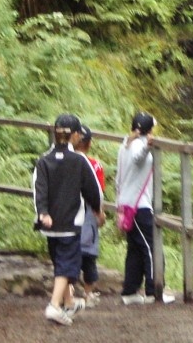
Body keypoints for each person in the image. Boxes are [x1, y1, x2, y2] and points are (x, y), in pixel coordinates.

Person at [32, 113, 103, 325]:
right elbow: (93, 190)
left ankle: (69, 302)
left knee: (59, 262)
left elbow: (39, 189)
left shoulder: (43, 161)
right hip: (71, 223)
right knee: (67, 265)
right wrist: (98, 210)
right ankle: (54, 306)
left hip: (49, 224)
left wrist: (42, 213)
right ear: (74, 136)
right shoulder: (79, 161)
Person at [115, 111, 174, 305]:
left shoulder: (125, 143)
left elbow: (120, 176)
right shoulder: (137, 146)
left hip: (127, 204)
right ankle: (153, 291)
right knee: (151, 247)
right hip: (138, 206)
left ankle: (130, 291)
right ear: (148, 131)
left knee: (135, 250)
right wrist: (148, 146)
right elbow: (138, 159)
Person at [75, 124, 106, 306]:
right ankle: (87, 294)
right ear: (89, 143)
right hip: (88, 213)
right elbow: (98, 192)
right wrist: (99, 212)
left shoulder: (65, 161)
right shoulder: (94, 165)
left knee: (70, 254)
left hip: (68, 214)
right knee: (89, 256)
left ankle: (68, 293)